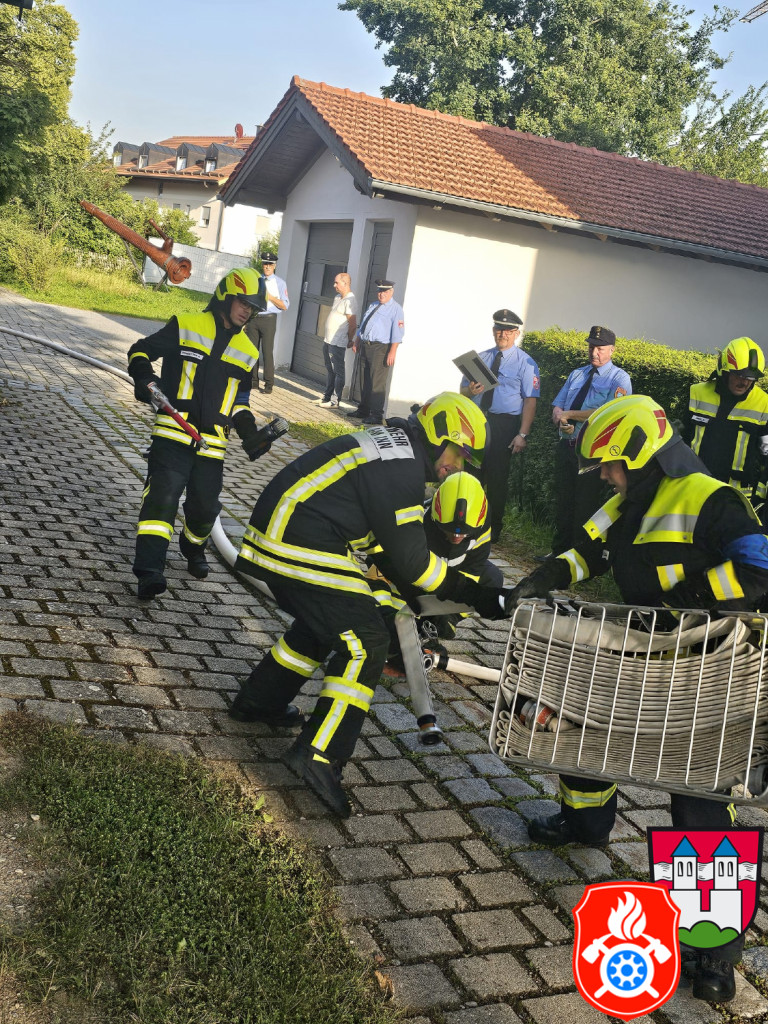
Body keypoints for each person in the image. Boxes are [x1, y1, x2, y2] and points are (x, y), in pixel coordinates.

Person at [507, 394, 768, 1003]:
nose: (604, 475)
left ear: (640, 456)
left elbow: (762, 567)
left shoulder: (712, 499)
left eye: (610, 464)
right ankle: (584, 821)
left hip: (707, 668)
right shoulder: (629, 500)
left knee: (698, 794)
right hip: (642, 649)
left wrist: (693, 600)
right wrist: (542, 577)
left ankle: (713, 949)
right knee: (587, 726)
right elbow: (588, 550)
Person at [228, 393, 507, 817]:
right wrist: (476, 594)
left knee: (326, 622)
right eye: (460, 453)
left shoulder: (398, 453)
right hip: (297, 541)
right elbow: (414, 564)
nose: (459, 466)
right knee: (367, 642)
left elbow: (391, 547)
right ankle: (319, 755)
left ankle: (259, 700)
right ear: (439, 436)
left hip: (290, 532)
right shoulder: (402, 467)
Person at [127, 268, 274, 600]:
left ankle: (193, 546)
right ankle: (149, 571)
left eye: (252, 307)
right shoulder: (186, 325)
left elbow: (239, 402)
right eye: (243, 302)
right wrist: (144, 378)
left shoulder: (248, 352)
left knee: (205, 509)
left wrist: (250, 433)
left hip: (212, 445)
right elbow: (140, 350)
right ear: (225, 297)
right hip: (173, 433)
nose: (247, 311)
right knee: (162, 499)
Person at [369, 471, 503, 656]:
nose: (456, 537)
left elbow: (473, 571)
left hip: (447, 575)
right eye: (448, 530)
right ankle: (394, 620)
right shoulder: (419, 523)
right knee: (381, 582)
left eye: (464, 533)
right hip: (411, 575)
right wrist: (399, 621)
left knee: (492, 579)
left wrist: (448, 613)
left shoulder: (481, 524)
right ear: (434, 516)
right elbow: (402, 571)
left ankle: (435, 625)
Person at [547, 325, 631, 556]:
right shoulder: (577, 374)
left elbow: (610, 413)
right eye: (592, 347)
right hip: (567, 446)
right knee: (564, 501)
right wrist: (560, 418)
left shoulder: (619, 379)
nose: (594, 352)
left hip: (592, 453)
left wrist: (570, 415)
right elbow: (558, 405)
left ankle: (579, 557)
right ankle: (558, 553)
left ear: (612, 350)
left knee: (585, 506)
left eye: (600, 348)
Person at [460, 309, 540, 543]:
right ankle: (467, 522)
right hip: (477, 421)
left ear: (516, 333)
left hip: (504, 424)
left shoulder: (525, 363)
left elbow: (530, 401)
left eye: (507, 330)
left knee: (496, 480)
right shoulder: (480, 358)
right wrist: (469, 391)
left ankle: (492, 528)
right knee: (471, 475)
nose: (502, 334)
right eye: (498, 329)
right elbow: (462, 392)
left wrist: (522, 434)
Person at [681, 336, 768, 518]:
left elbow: (766, 457)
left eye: (750, 378)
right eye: (739, 375)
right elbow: (681, 441)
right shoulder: (696, 393)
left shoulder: (763, 404)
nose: (744, 382)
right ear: (724, 371)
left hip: (736, 500)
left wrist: (759, 499)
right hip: (693, 489)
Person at [347, 279, 405, 425]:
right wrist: (357, 341)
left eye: (384, 291)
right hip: (366, 345)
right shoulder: (373, 305)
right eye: (380, 291)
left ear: (391, 292)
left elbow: (397, 333)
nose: (381, 294)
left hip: (381, 348)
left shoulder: (396, 309)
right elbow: (364, 325)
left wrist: (392, 352)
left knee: (377, 382)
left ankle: (376, 414)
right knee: (364, 379)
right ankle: (363, 410)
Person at [244, 250, 289, 395]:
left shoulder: (280, 283)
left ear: (274, 266)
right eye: (265, 264)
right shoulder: (257, 280)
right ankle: (253, 382)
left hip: (269, 319)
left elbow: (285, 305)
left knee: (267, 352)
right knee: (252, 351)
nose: (267, 267)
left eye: (270, 264)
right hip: (254, 318)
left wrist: (270, 297)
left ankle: (269, 384)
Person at [317, 272, 357, 408]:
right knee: (330, 369)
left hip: (338, 342)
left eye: (337, 283)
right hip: (328, 340)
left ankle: (335, 401)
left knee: (338, 371)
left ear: (345, 283)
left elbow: (352, 324)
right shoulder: (338, 297)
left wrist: (350, 339)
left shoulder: (350, 300)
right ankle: (326, 397)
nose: (334, 285)